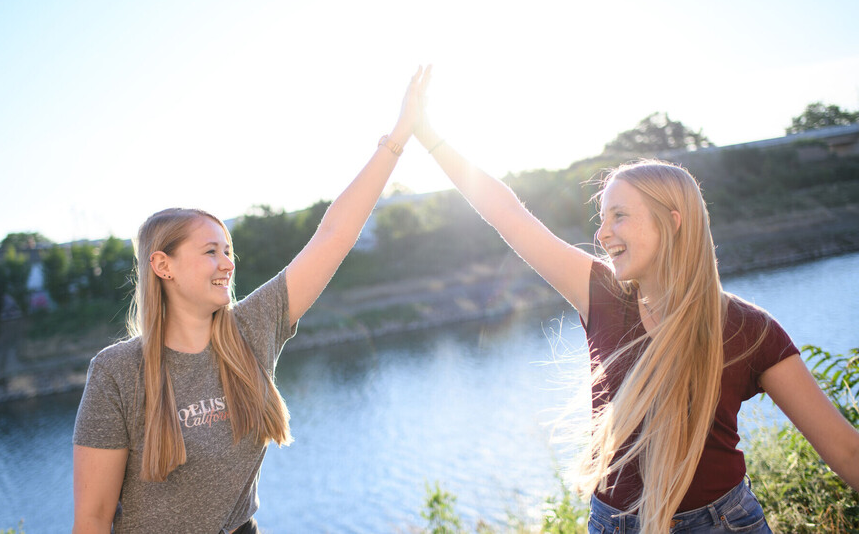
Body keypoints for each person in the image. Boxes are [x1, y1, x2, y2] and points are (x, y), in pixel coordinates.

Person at [412, 68, 859, 533]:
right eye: (601, 218)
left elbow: (846, 451)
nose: (602, 234)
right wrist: (428, 135)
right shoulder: (602, 296)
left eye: (619, 216)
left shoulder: (750, 329)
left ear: (673, 220)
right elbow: (506, 213)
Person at [71, 67, 429, 534]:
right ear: (163, 266)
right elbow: (93, 519)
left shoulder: (252, 328)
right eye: (209, 251)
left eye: (228, 250)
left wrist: (398, 137)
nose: (227, 263)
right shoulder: (117, 372)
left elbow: (333, 236)